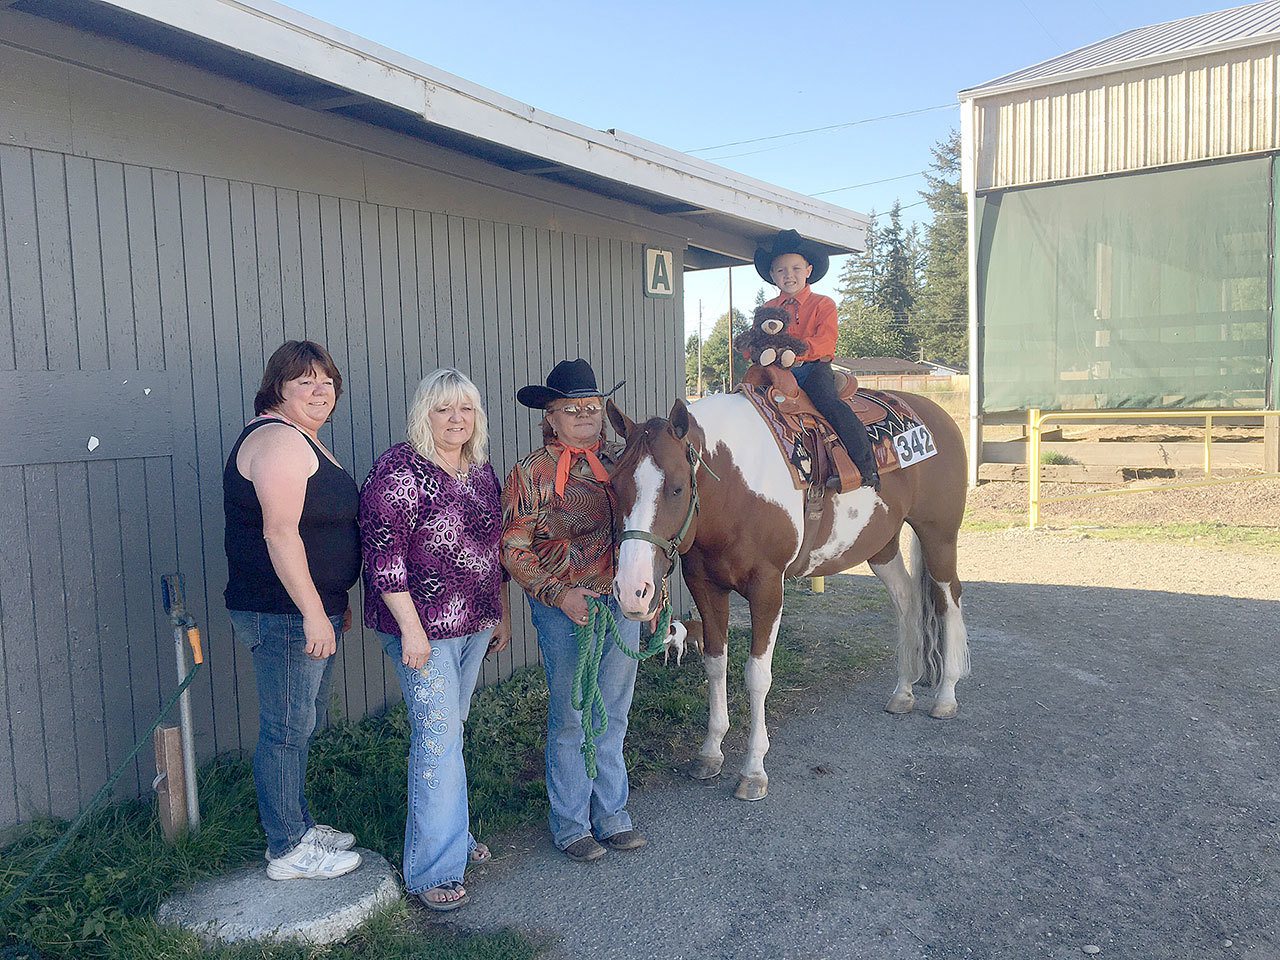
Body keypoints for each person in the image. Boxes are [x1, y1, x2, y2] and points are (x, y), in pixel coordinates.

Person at [359, 368, 511, 912]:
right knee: (437, 740)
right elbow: (383, 556)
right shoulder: (398, 470)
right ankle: (430, 871)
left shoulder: (479, 470)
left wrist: (500, 613)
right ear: (424, 413)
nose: (456, 420)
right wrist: (412, 630)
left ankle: (452, 836)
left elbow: (493, 550)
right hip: (420, 630)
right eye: (444, 409)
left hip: (474, 623)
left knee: (451, 733)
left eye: (465, 409)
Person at [224, 340, 362, 881]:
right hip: (282, 613)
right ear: (278, 388)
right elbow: (279, 533)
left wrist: (331, 603)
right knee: (285, 729)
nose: (319, 391)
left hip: (310, 610)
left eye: (326, 382)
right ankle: (285, 849)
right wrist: (310, 610)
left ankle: (299, 824)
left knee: (300, 725)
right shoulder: (279, 441)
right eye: (304, 381)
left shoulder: (305, 439)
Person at [501, 359, 647, 863]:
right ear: (551, 416)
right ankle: (571, 824)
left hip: (621, 604)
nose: (585, 415)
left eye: (592, 407)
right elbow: (514, 547)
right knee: (572, 716)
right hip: (566, 609)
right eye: (572, 408)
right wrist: (557, 593)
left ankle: (613, 815)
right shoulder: (530, 473)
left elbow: (648, 534)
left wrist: (653, 594)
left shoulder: (625, 463)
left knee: (614, 712)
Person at [754, 229, 881, 490]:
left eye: (795, 268)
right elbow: (756, 339)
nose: (789, 275)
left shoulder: (823, 304)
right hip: (776, 371)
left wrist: (795, 351)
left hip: (813, 368)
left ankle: (866, 467)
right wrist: (755, 352)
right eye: (781, 270)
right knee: (751, 402)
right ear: (772, 275)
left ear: (808, 270)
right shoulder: (768, 307)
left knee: (829, 404)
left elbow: (826, 341)